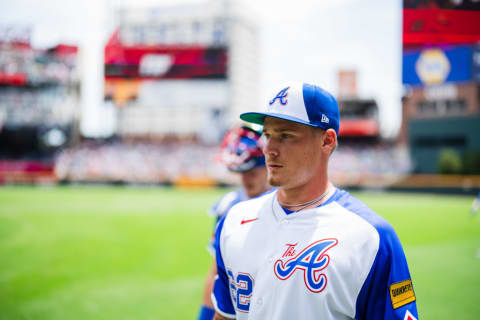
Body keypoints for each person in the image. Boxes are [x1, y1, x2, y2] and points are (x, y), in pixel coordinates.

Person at [211, 83, 419, 320]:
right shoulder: (234, 220)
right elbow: (225, 315)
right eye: (267, 135)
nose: (268, 149)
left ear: (327, 141)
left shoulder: (371, 237)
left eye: (286, 136)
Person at [197, 125, 271, 320]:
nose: (246, 179)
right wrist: (205, 315)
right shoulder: (230, 206)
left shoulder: (288, 206)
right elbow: (216, 270)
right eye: (242, 172)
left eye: (252, 171)